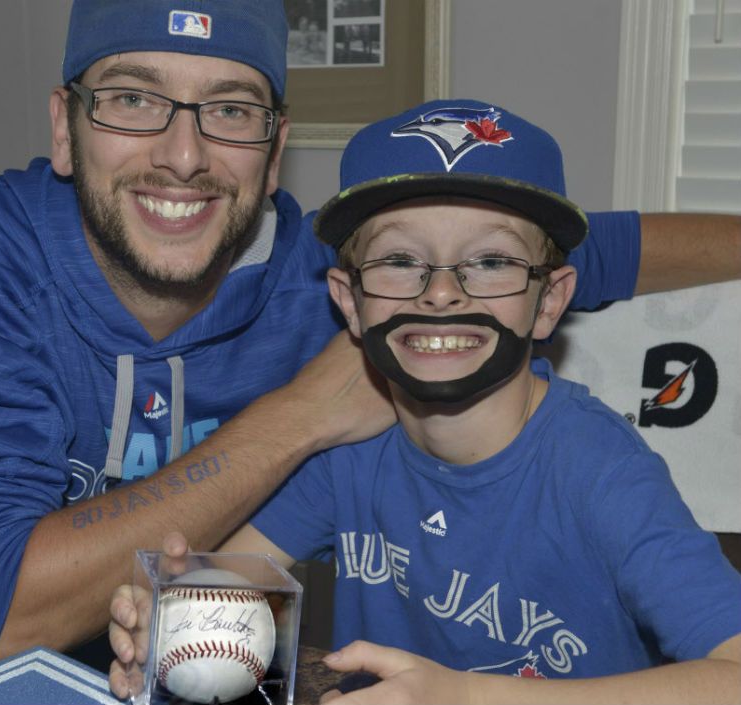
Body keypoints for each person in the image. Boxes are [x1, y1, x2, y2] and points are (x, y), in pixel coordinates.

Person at [0, 0, 740, 702]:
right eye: (133, 99)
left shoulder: (357, 269)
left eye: (230, 109)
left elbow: (587, 245)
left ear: (274, 144)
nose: (183, 156)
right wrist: (301, 414)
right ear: (65, 125)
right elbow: (3, 613)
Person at [109, 99, 741, 703]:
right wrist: (171, 615)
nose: (440, 293)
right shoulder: (349, 452)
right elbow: (239, 577)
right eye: (399, 260)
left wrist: (469, 696)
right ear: (349, 301)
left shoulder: (602, 472)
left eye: (491, 260)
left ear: (548, 301)